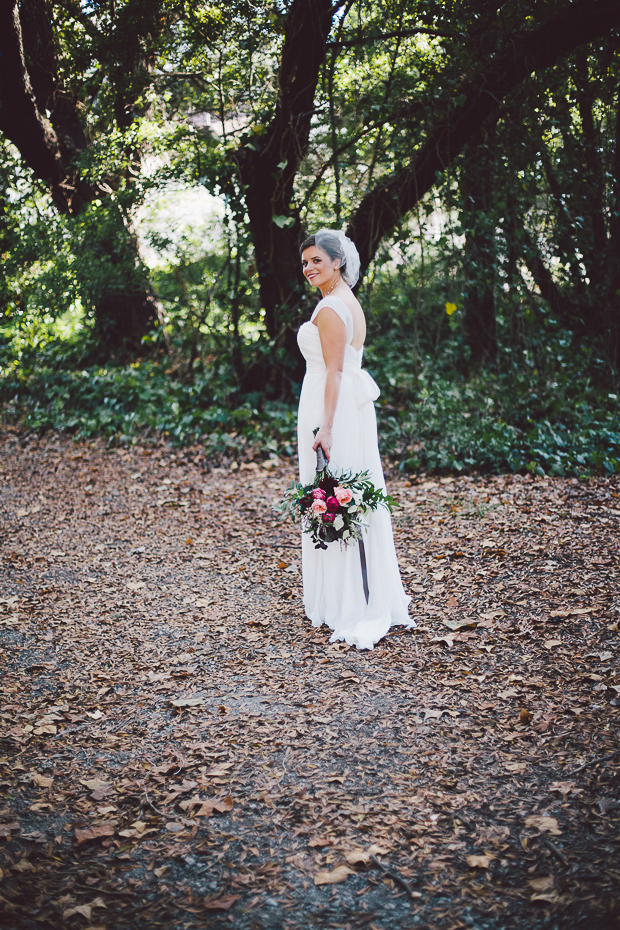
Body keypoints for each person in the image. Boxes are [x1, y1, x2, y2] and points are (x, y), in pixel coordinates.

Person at [297, 228, 414, 650]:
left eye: (317, 261)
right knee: (347, 494)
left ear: (338, 262)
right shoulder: (349, 301)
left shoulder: (330, 308)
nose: (309, 268)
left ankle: (349, 601)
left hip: (332, 409)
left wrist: (325, 427)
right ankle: (359, 593)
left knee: (333, 492)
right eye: (306, 262)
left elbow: (335, 371)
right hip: (348, 407)